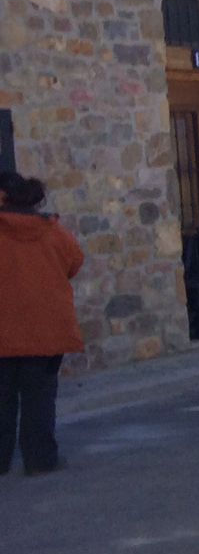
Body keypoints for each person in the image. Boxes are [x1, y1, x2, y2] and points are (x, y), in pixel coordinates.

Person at [0, 171, 85, 477]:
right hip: (46, 327)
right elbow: (75, 261)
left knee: (2, 398)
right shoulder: (52, 230)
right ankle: (39, 460)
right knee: (39, 397)